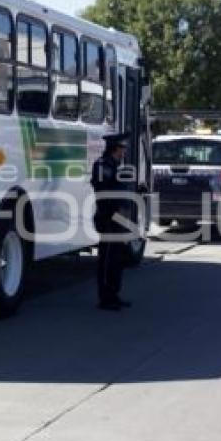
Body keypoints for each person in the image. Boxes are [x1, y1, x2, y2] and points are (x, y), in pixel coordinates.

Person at [90, 132, 134, 311]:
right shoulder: (103, 165)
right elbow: (104, 192)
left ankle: (114, 294)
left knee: (117, 258)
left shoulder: (115, 166)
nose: (124, 152)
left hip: (117, 218)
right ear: (116, 148)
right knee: (108, 259)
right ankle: (106, 298)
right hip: (108, 217)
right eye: (123, 148)